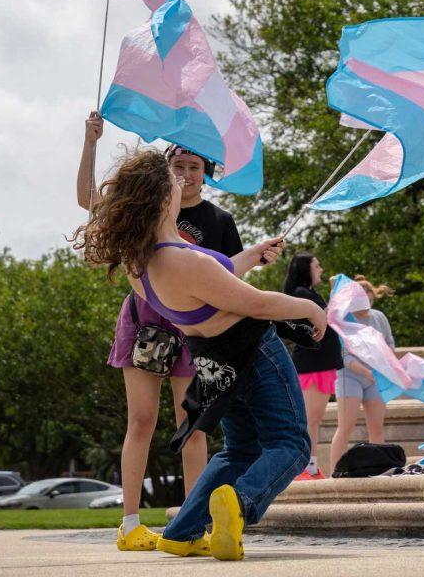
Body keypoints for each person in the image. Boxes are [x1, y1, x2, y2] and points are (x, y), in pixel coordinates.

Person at [73, 148, 325, 560]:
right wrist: (310, 307)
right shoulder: (182, 260)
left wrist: (247, 257)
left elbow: (213, 281)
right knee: (292, 443)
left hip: (212, 361)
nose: (182, 185)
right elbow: (258, 305)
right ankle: (239, 505)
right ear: (159, 197)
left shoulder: (142, 260)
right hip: (252, 351)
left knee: (240, 449)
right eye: (173, 181)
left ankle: (181, 531)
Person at [78, 112, 237, 551]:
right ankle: (130, 524)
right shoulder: (142, 211)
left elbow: (232, 279)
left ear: (206, 176)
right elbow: (87, 200)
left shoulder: (219, 220)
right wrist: (90, 143)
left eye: (195, 167)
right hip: (145, 322)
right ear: (167, 170)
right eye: (179, 164)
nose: (186, 174)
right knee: (142, 421)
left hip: (192, 326)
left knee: (194, 425)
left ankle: (193, 521)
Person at [282, 252, 343, 480]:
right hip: (312, 364)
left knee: (314, 420)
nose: (321, 269)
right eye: (317, 265)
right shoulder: (301, 294)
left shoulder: (310, 293)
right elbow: (324, 319)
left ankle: (311, 466)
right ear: (306, 268)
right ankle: (306, 467)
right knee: (310, 419)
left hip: (321, 363)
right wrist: (338, 293)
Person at [327, 276, 395, 477]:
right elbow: (344, 355)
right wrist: (366, 371)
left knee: (376, 426)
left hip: (376, 377)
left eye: (370, 299)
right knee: (345, 426)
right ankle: (334, 473)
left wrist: (386, 364)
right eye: (363, 299)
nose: (368, 303)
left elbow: (389, 343)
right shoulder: (345, 318)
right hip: (351, 376)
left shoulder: (379, 317)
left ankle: (378, 470)